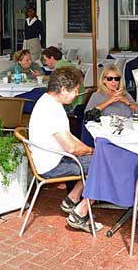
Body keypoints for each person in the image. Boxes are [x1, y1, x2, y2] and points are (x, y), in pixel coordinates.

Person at [28, 66, 102, 234]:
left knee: (98, 159)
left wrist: (91, 150)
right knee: (103, 165)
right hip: (51, 165)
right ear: (63, 89)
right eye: (75, 90)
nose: (77, 94)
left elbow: (69, 138)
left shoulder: (48, 101)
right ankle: (80, 213)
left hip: (49, 158)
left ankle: (72, 199)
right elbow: (71, 147)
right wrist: (93, 151)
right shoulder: (52, 110)